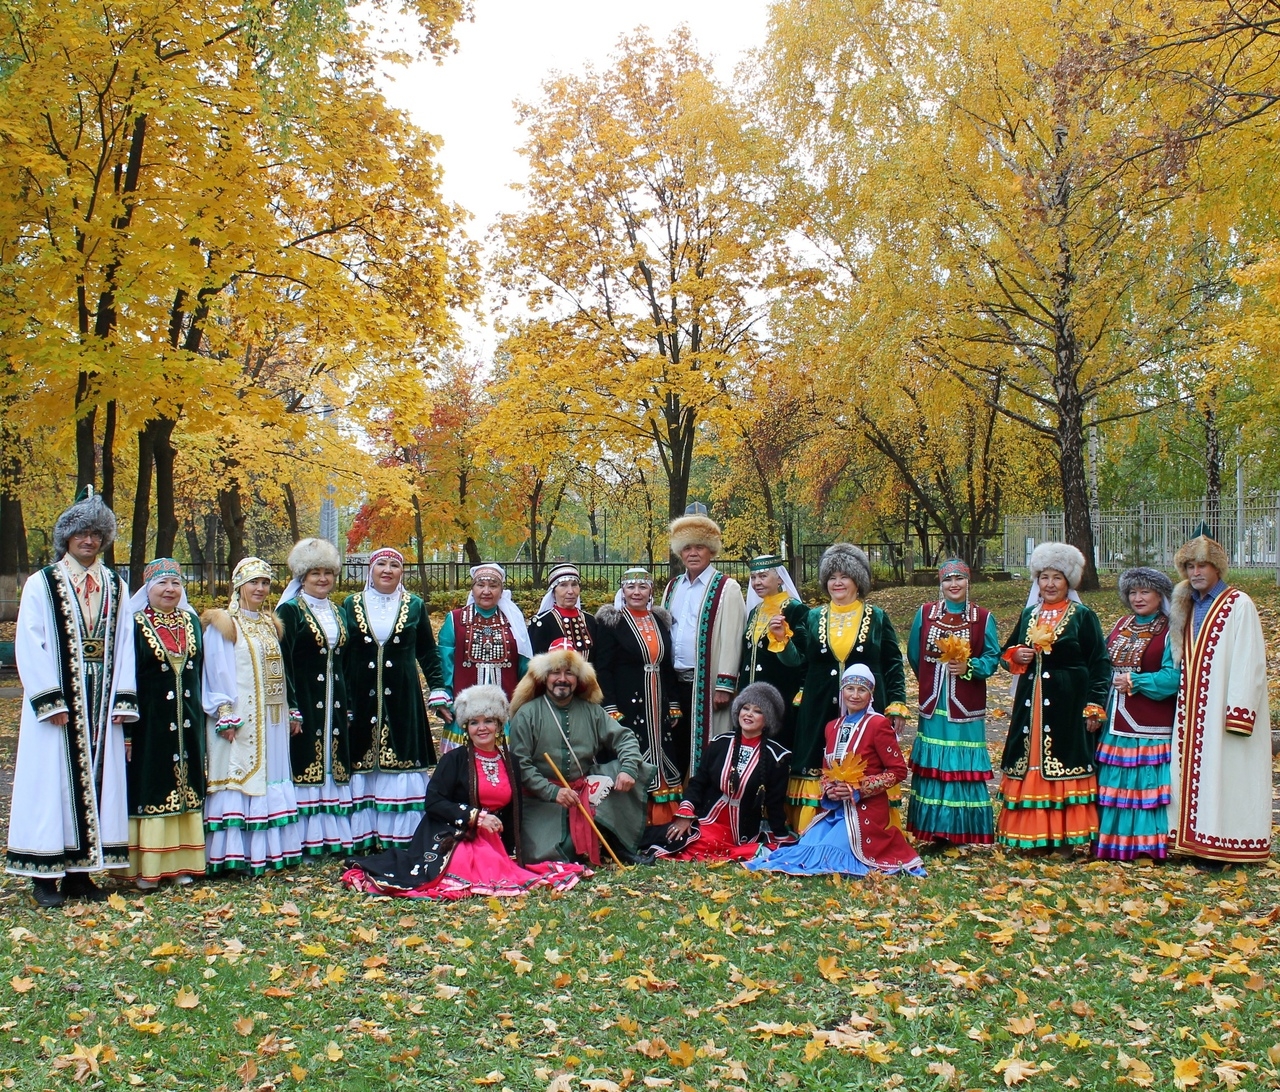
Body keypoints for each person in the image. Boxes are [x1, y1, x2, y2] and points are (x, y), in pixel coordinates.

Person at [6, 488, 138, 907]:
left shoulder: (116, 585)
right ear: (67, 538)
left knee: (99, 784)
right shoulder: (42, 584)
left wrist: (123, 698)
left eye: (96, 534)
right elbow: (31, 640)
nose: (88, 540)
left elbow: (125, 643)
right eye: (81, 533)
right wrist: (49, 698)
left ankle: (81, 874)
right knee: (51, 785)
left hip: (100, 702)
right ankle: (44, 874)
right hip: (61, 704)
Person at [341, 685, 584, 897]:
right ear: (466, 727)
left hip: (493, 839)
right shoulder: (453, 760)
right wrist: (475, 817)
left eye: (488, 721)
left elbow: (513, 812)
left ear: (499, 725)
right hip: (453, 834)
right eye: (474, 722)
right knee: (471, 865)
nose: (482, 728)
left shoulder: (511, 762)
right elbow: (433, 802)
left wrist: (514, 850)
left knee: (499, 866)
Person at [746, 665, 925, 877]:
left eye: (862, 690)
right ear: (842, 692)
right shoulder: (832, 726)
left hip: (865, 811)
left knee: (832, 853)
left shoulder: (878, 724)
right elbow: (826, 770)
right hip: (835, 811)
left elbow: (897, 771)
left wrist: (859, 789)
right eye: (850, 689)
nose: (855, 695)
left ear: (871, 695)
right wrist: (829, 790)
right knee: (808, 846)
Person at [787, 543, 909, 833]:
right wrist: (783, 644)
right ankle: (811, 825)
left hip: (866, 704)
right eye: (832, 577)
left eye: (844, 576)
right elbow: (801, 661)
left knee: (866, 759)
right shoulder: (813, 617)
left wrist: (896, 703)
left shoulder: (877, 617)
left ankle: (868, 825)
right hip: (818, 705)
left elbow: (893, 662)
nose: (837, 582)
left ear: (858, 581)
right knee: (816, 759)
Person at [997, 542, 1110, 856]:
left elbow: (1099, 662)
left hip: (1068, 704)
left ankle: (1062, 840)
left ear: (1069, 581)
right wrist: (1015, 656)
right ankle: (1033, 839)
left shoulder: (1082, 616)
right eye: (1044, 577)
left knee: (1063, 763)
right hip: (1030, 707)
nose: (1049, 584)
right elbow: (1007, 656)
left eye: (1057, 578)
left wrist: (1094, 703)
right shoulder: (1029, 613)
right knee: (1030, 763)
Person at [1167, 532, 1272, 869]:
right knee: (1191, 772)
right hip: (1191, 710)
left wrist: (1239, 712)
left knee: (1224, 774)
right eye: (1190, 566)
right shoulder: (1184, 605)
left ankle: (1221, 844)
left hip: (1223, 710)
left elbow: (1248, 659)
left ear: (1217, 569)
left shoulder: (1239, 603)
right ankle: (1189, 842)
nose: (1196, 573)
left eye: (1203, 566)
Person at [507, 640, 653, 865]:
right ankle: (588, 838)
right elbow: (520, 765)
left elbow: (624, 738)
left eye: (570, 673)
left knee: (632, 768)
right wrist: (551, 792)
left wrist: (628, 769)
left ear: (579, 679)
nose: (562, 679)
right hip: (541, 800)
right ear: (545, 677)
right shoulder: (527, 714)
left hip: (584, 790)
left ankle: (617, 843)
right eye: (555, 672)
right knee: (562, 852)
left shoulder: (592, 711)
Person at [202, 557, 303, 876]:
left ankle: (270, 852)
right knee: (241, 777)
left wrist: (289, 709)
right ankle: (237, 855)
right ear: (239, 586)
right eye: (253, 582)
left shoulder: (269, 623)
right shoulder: (224, 624)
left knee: (269, 776)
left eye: (264, 583)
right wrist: (224, 712)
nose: (259, 589)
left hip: (271, 718)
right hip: (240, 716)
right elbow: (215, 670)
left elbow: (281, 672)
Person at [341, 547, 448, 847]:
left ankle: (399, 836)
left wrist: (438, 688)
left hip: (403, 698)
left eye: (394, 565)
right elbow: (343, 656)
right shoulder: (351, 604)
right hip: (361, 698)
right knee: (361, 764)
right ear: (371, 570)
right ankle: (362, 837)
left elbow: (427, 650)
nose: (387, 570)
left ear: (402, 572)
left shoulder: (414, 605)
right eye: (381, 564)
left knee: (400, 761)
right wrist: (345, 701)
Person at [277, 538, 371, 856]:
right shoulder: (290, 611)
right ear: (302, 577)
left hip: (335, 701)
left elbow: (344, 661)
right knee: (306, 759)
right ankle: (304, 839)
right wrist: (291, 706)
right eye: (315, 573)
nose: (322, 579)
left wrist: (346, 704)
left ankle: (332, 837)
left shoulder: (337, 611)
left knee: (333, 761)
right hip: (304, 698)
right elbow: (284, 662)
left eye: (328, 573)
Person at [904, 558, 1000, 851]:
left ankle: (962, 830)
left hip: (965, 708)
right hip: (934, 705)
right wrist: (930, 680)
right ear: (940, 584)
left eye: (959, 579)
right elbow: (914, 655)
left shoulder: (982, 617)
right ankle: (934, 832)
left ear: (968, 582)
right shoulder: (925, 614)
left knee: (960, 766)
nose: (953, 585)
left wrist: (970, 668)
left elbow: (993, 657)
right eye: (948, 580)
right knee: (935, 765)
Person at [124, 559, 206, 889]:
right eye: (162, 584)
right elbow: (126, 677)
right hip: (150, 723)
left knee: (186, 788)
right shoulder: (134, 624)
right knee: (153, 785)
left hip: (188, 723)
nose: (170, 589)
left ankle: (182, 863)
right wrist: (128, 730)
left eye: (175, 583)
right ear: (148, 589)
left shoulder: (192, 622)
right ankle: (149, 867)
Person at [645, 682, 795, 860]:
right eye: (745, 708)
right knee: (669, 835)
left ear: (767, 719)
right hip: (707, 819)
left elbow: (774, 803)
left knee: (699, 843)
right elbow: (698, 783)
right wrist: (685, 815)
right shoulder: (720, 743)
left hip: (742, 831)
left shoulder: (777, 757)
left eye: (757, 711)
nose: (748, 714)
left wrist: (781, 837)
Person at [1096, 567, 1179, 862]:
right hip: (1114, 719)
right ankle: (1112, 845)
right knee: (1115, 783)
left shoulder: (1171, 630)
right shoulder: (1121, 624)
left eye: (1145, 592)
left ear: (1160, 595)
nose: (1138, 598)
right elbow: (1102, 667)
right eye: (1132, 592)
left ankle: (1145, 847)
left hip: (1148, 723)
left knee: (1143, 785)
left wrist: (1138, 682)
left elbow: (1174, 677)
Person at [659, 510, 746, 780]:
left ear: (711, 550)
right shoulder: (673, 586)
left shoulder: (726, 587)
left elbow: (733, 638)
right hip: (674, 681)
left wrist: (725, 684)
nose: (693, 553)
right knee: (677, 741)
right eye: (687, 547)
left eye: (699, 547)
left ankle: (704, 803)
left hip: (706, 683)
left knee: (707, 744)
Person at [594, 568, 684, 823]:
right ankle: (634, 819)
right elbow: (604, 668)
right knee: (633, 748)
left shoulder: (660, 620)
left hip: (658, 701)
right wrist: (610, 706)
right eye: (631, 587)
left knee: (663, 749)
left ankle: (665, 816)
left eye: (642, 587)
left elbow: (667, 665)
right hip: (627, 702)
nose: (636, 592)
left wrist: (674, 704)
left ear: (651, 591)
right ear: (623, 590)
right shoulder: (612, 622)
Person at [437, 562, 532, 751]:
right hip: (463, 710)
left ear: (502, 590)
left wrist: (525, 704)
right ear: (472, 589)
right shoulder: (455, 619)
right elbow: (444, 662)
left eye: (493, 585)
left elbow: (524, 666)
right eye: (481, 585)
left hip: (506, 712)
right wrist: (444, 698)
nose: (486, 591)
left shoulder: (513, 623)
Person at [738, 555, 807, 749]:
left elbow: (801, 658)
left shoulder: (795, 609)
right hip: (749, 695)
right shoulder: (754, 612)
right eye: (753, 577)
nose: (757, 582)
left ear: (779, 579)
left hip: (780, 692)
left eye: (762, 576)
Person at [529, 563, 596, 659]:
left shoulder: (590, 621)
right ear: (553, 592)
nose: (570, 591)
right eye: (563, 585)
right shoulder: (542, 623)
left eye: (574, 585)